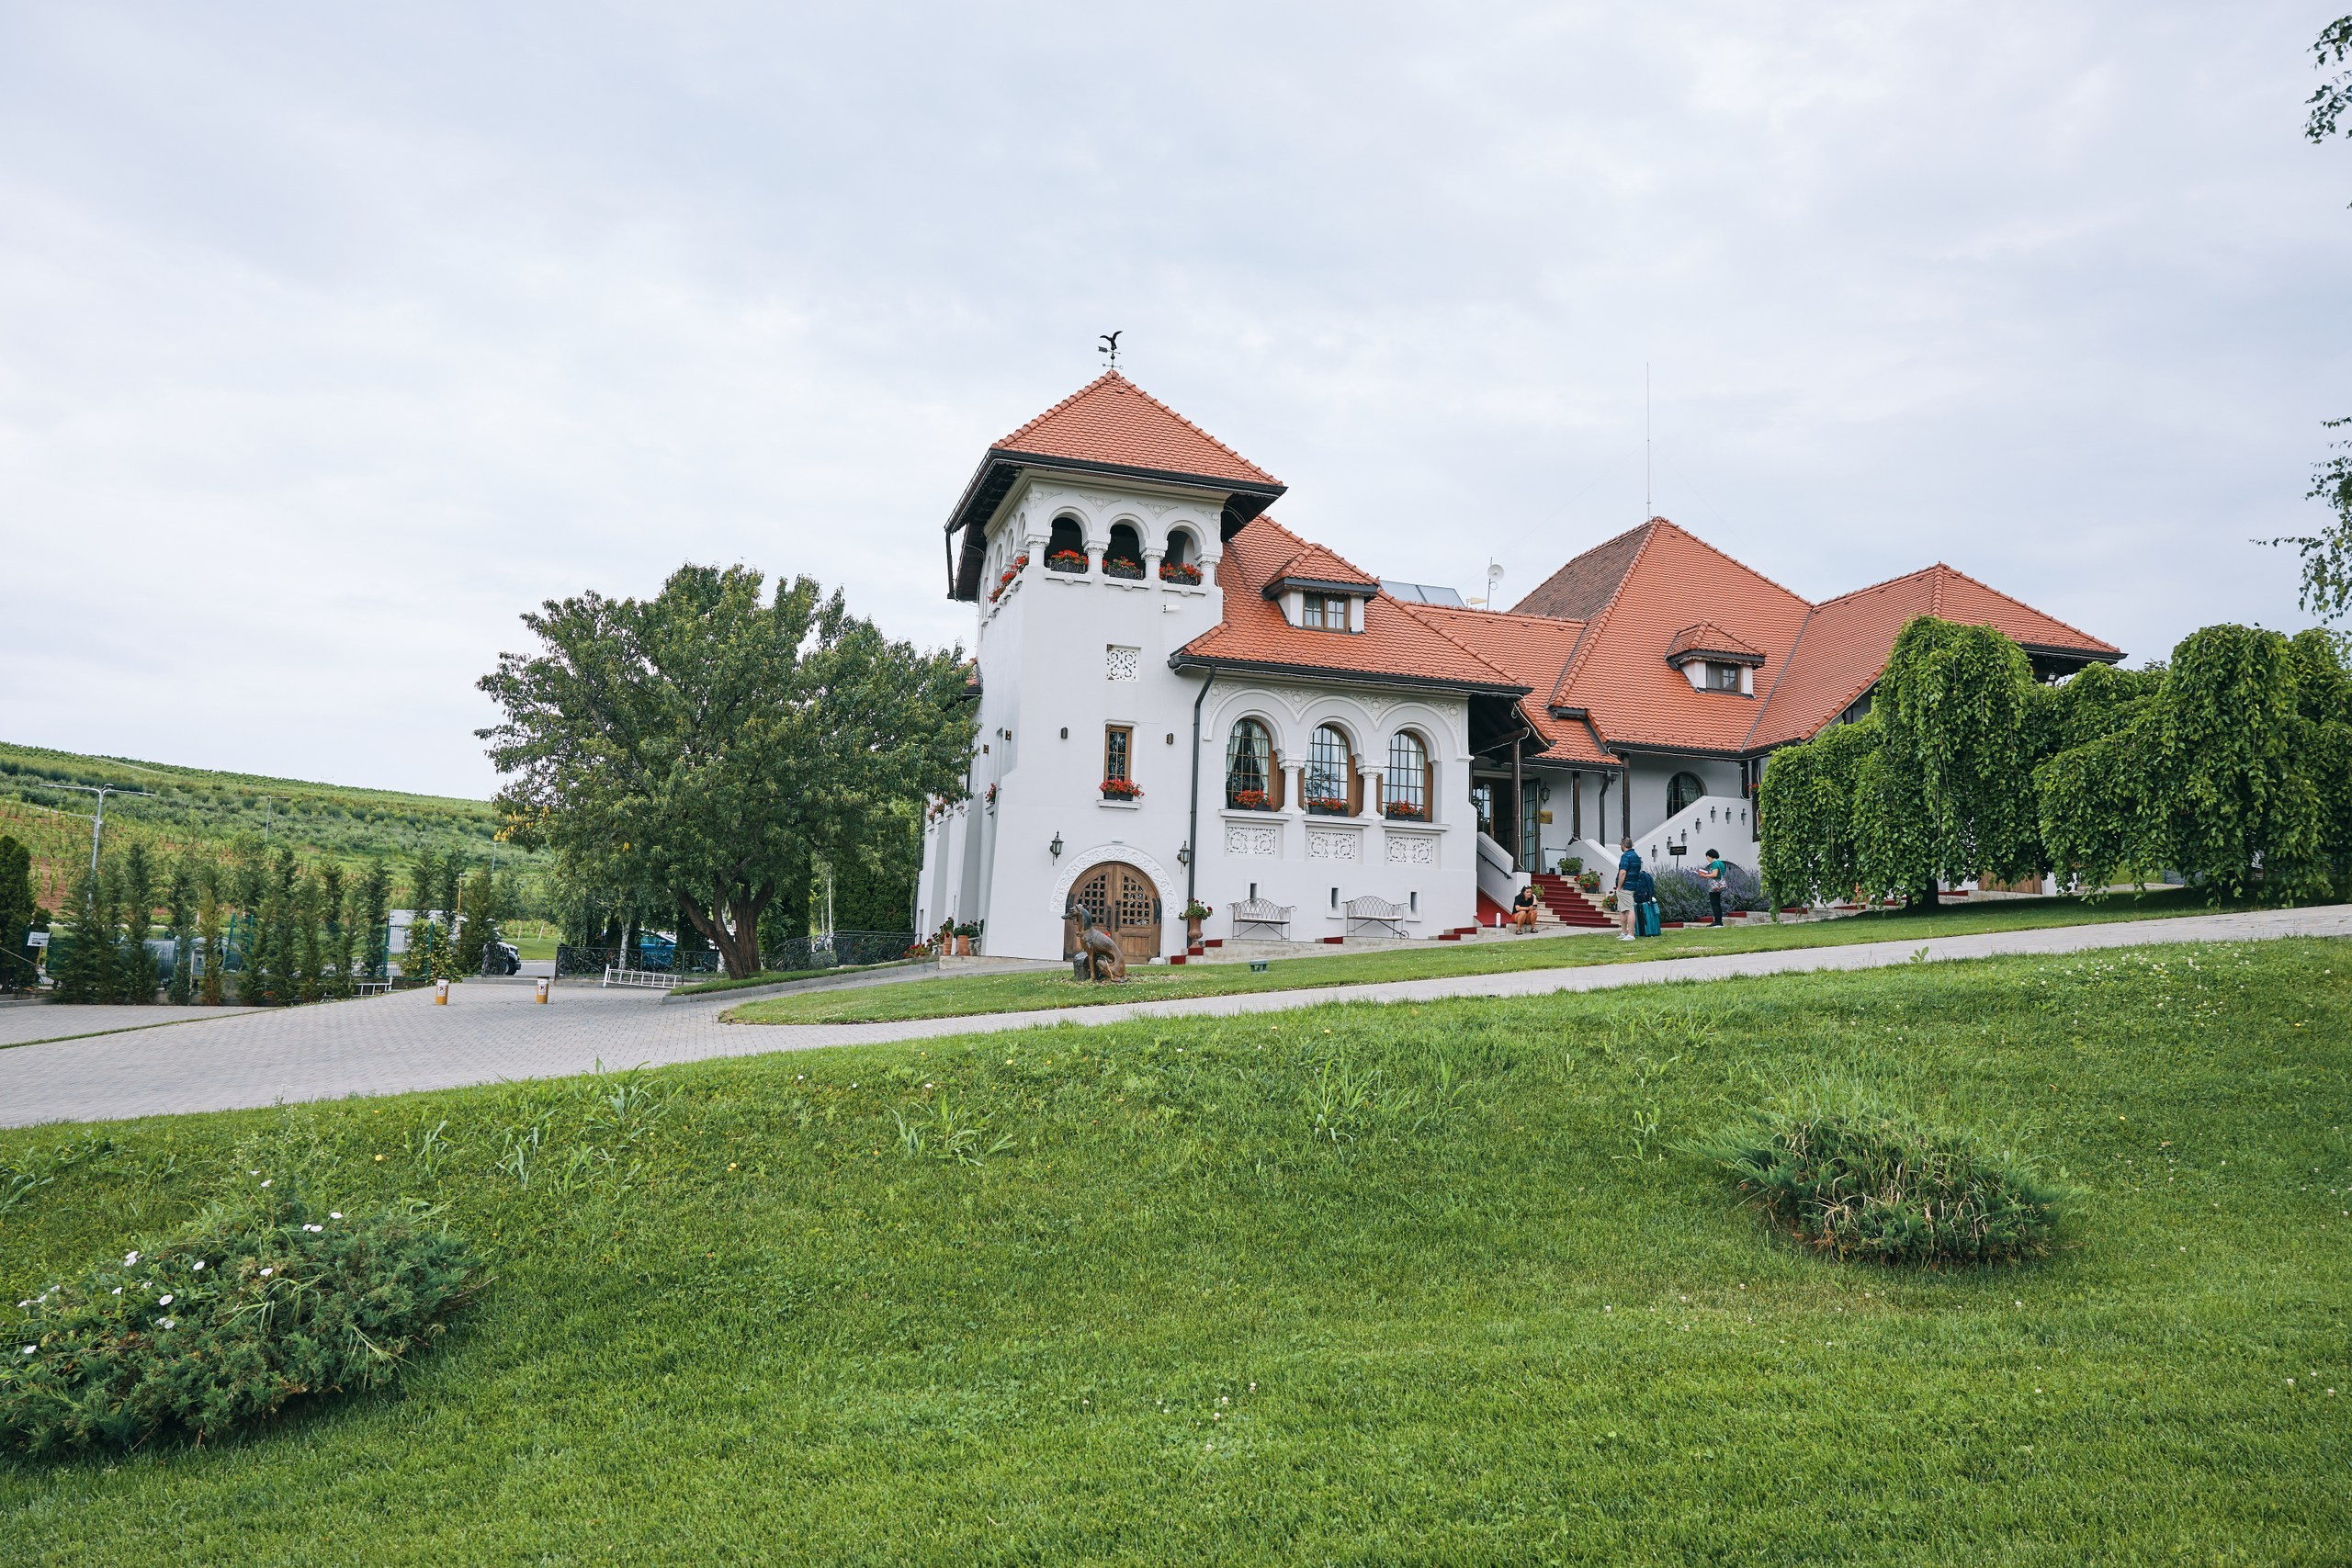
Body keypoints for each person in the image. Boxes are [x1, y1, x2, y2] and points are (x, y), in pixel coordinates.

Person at [1612, 838, 1642, 941]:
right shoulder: (1636, 857)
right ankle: (1624, 932)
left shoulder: (1626, 856)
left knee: (1629, 910)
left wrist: (1619, 887)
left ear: (1623, 845)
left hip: (1626, 887)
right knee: (1622, 909)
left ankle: (1630, 934)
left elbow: (1623, 872)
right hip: (1633, 885)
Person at [1698, 848, 1731, 926]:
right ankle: (1719, 920)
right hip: (1719, 885)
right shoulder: (1721, 863)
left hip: (1715, 885)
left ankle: (1717, 921)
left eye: (1707, 857)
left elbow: (1714, 874)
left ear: (1710, 856)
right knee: (1717, 903)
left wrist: (1704, 875)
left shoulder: (1715, 863)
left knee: (1714, 903)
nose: (1708, 859)